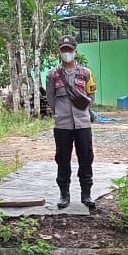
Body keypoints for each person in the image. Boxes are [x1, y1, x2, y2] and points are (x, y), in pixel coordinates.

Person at [45, 34, 97, 210]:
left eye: (70, 50)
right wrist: (59, 113)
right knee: (62, 159)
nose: (67, 53)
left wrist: (84, 112)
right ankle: (64, 195)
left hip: (83, 124)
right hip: (62, 125)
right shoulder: (52, 75)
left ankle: (86, 195)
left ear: (76, 51)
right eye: (63, 50)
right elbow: (50, 98)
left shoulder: (86, 73)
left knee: (86, 158)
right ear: (59, 52)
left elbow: (91, 96)